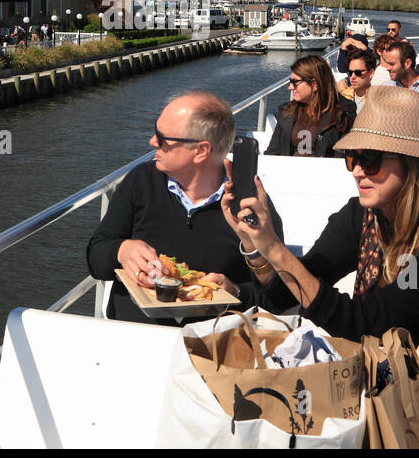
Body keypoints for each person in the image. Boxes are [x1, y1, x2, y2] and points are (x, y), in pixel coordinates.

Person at [221, 87, 419, 348]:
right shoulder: (362, 215)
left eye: (370, 159)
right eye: (353, 157)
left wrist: (276, 249)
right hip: (396, 376)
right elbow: (286, 296)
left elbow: (365, 324)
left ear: (414, 165)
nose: (357, 170)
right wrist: (255, 245)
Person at [85, 91, 283, 324]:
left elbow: (277, 297)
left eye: (163, 138)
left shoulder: (249, 205)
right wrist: (121, 250)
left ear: (201, 150)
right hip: (133, 333)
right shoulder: (141, 181)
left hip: (212, 345)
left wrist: (236, 292)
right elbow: (95, 258)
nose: (152, 142)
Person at [265, 55, 356, 157]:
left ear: (315, 84)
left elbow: (345, 157)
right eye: (291, 82)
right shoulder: (287, 112)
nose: (290, 87)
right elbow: (272, 152)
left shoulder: (343, 114)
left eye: (295, 82)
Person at [337, 49, 375, 113]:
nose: (353, 77)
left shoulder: (378, 100)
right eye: (350, 72)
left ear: (371, 73)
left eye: (358, 72)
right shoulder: (343, 97)